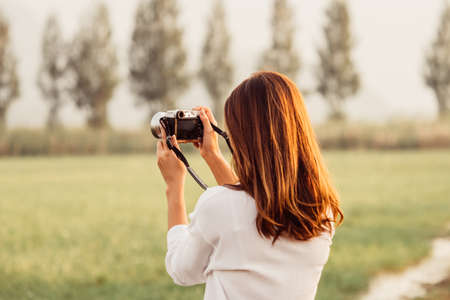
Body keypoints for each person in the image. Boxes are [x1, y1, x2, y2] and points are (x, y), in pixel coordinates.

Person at [156, 71, 343, 300]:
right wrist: (213, 156)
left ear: (244, 138)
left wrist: (174, 187)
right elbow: (252, 208)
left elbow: (181, 270)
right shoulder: (322, 212)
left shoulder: (219, 207)